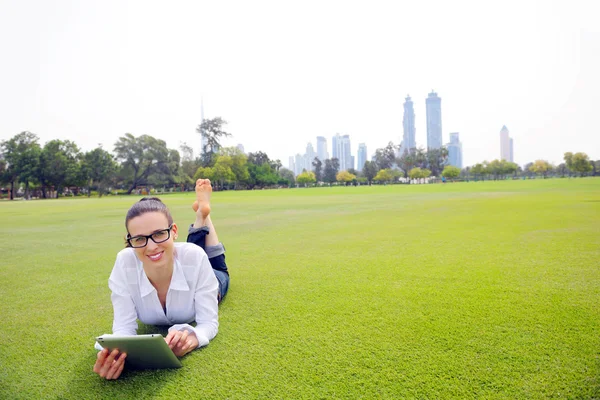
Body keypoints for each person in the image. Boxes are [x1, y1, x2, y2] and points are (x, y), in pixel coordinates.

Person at [93, 179, 229, 380]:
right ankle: (200, 214)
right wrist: (115, 356)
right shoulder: (124, 264)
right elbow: (123, 330)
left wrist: (193, 338)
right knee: (177, 251)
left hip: (213, 279)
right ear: (129, 240)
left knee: (214, 262)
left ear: (173, 231)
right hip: (181, 255)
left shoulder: (194, 257)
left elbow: (208, 323)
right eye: (139, 239)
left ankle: (203, 216)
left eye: (159, 233)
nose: (150, 246)